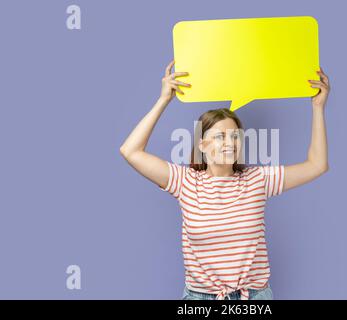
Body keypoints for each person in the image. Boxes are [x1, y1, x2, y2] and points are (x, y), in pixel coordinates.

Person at [119, 59, 331, 300]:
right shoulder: (185, 182)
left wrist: (318, 108)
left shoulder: (257, 180)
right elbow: (130, 151)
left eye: (235, 136)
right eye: (220, 136)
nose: (230, 143)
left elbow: (317, 165)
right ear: (202, 145)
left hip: (253, 298)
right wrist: (163, 100)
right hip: (201, 299)